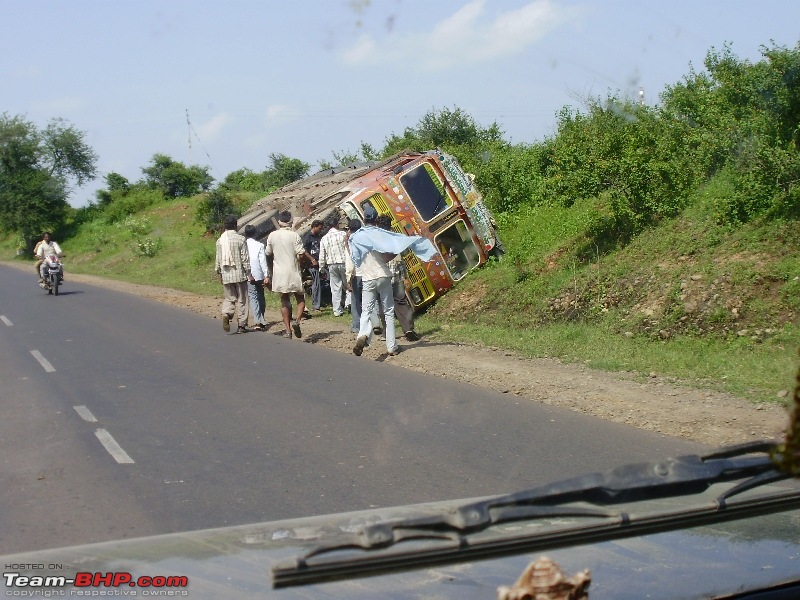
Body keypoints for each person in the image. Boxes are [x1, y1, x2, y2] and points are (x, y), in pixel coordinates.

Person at [349, 207, 399, 356]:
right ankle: (391, 347)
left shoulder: (357, 237)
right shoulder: (380, 234)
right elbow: (385, 256)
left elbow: (356, 260)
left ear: (364, 218)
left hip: (367, 277)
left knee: (366, 310)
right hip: (383, 274)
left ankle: (362, 335)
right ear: (376, 219)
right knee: (388, 311)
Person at [375, 215, 419, 342]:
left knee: (383, 304)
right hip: (397, 275)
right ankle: (408, 329)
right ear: (390, 224)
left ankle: (387, 333)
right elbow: (403, 255)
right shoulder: (397, 237)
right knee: (401, 302)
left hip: (382, 275)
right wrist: (405, 277)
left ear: (378, 224)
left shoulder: (375, 238)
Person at [265, 210, 306, 339]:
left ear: (279, 222)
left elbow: (268, 253)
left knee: (284, 300)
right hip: (293, 270)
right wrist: (300, 262)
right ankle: (297, 321)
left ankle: (288, 331)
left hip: (279, 272)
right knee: (300, 298)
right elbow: (301, 254)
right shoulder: (295, 236)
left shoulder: (272, 236)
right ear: (290, 222)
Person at [344, 219, 381, 336]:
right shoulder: (365, 237)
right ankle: (376, 323)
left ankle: (357, 326)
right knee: (371, 298)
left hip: (356, 274)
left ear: (349, 229)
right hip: (368, 273)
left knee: (355, 301)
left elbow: (350, 262)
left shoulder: (350, 241)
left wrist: (348, 278)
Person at [215, 215, 251, 334]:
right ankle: (241, 325)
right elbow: (244, 259)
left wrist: (219, 272)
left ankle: (227, 313)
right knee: (242, 299)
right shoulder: (241, 239)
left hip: (226, 274)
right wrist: (248, 272)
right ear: (236, 226)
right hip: (239, 274)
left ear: (225, 227)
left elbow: (218, 259)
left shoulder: (220, 241)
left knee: (229, 298)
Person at [318, 215, 348, 317]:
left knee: (335, 288)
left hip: (331, 265)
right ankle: (349, 304)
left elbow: (322, 255)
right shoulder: (343, 234)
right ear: (337, 225)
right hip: (344, 263)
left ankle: (337, 310)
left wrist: (321, 268)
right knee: (347, 285)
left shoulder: (324, 238)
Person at [244, 224, 270, 331]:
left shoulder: (243, 245)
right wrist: (266, 275)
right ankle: (261, 317)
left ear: (245, 234)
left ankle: (258, 320)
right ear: (255, 233)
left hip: (249, 274)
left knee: (253, 297)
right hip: (259, 273)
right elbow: (263, 261)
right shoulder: (259, 245)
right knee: (260, 296)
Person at [302, 220, 324, 312]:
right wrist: (312, 259)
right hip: (311, 264)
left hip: (319, 262)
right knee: (316, 283)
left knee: (320, 283)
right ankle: (316, 305)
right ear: (314, 227)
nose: (320, 230)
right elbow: (303, 250)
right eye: (319, 228)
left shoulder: (318, 237)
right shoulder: (308, 237)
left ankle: (319, 302)